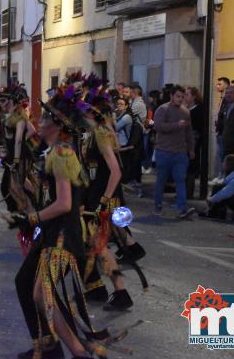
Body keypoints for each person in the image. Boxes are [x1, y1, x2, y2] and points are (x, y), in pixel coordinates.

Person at [12, 91, 109, 359]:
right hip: (53, 233)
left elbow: (65, 203)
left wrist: (32, 218)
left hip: (63, 237)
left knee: (42, 296)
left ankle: (77, 352)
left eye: (44, 118)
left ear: (57, 124)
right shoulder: (54, 151)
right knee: (25, 283)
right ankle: (49, 344)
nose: (39, 122)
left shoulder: (62, 153)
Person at [79, 83, 143, 311]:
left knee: (99, 245)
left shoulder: (102, 133)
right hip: (94, 194)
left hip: (102, 197)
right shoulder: (93, 133)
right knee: (93, 244)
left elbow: (116, 171)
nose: (82, 113)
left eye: (86, 109)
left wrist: (104, 200)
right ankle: (96, 288)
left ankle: (121, 292)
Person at [153, 85, 196, 218]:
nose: (180, 99)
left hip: (180, 152)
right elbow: (158, 126)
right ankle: (158, 205)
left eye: (182, 97)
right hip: (164, 150)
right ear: (171, 96)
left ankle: (182, 208)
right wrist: (176, 125)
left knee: (180, 180)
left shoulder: (185, 111)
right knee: (161, 180)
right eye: (178, 96)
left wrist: (191, 149)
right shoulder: (163, 109)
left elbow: (189, 132)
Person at [0, 84, 36, 214]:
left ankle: (31, 213)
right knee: (15, 185)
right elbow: (31, 131)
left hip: (20, 156)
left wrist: (15, 159)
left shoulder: (19, 117)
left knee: (15, 186)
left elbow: (19, 139)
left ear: (12, 101)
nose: (1, 103)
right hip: (13, 154)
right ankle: (32, 206)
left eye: (3, 100)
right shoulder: (10, 115)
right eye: (0, 100)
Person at [210, 77, 230, 185]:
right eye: (217, 84)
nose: (217, 86)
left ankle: (223, 176)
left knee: (222, 155)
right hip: (219, 131)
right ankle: (219, 175)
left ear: (226, 85)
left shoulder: (227, 99)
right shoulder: (222, 98)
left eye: (220, 84)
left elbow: (224, 116)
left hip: (223, 132)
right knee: (219, 154)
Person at [185, 87, 204, 199]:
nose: (185, 97)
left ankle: (188, 192)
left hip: (193, 142)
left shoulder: (198, 110)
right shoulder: (187, 108)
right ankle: (184, 191)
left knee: (190, 168)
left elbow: (197, 129)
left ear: (194, 96)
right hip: (184, 142)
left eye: (187, 94)